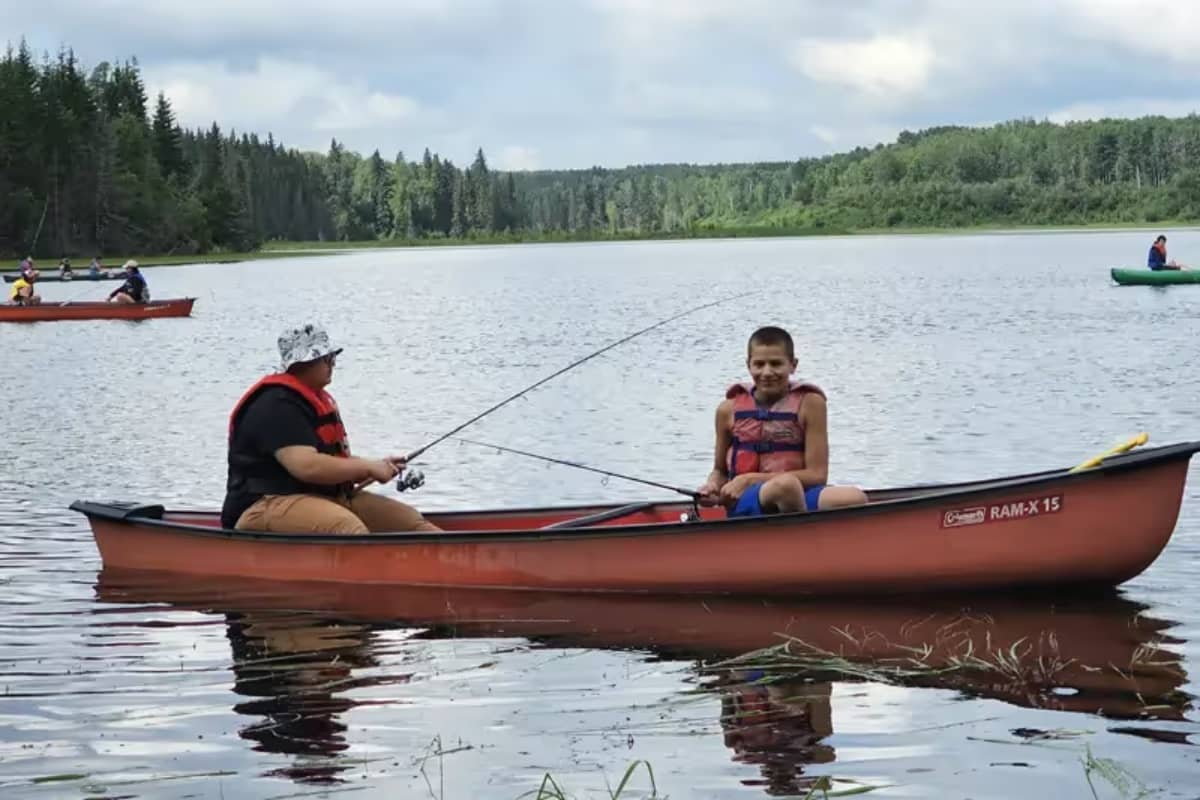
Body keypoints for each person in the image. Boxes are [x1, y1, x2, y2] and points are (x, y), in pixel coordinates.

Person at [221, 323, 441, 534]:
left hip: (319, 497)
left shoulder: (311, 399)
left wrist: (376, 466)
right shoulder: (276, 405)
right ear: (304, 363)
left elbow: (327, 463)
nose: (333, 363)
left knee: (409, 521)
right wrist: (367, 467)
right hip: (262, 505)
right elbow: (307, 467)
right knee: (347, 529)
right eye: (327, 358)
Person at [698, 326, 868, 516]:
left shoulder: (811, 404)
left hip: (799, 491)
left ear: (793, 365)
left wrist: (750, 479)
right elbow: (720, 470)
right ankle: (804, 540)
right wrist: (711, 486)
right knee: (785, 486)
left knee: (854, 497)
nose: (767, 372)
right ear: (748, 365)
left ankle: (799, 528)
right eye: (759, 364)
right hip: (745, 498)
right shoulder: (726, 410)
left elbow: (818, 475)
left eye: (776, 363)